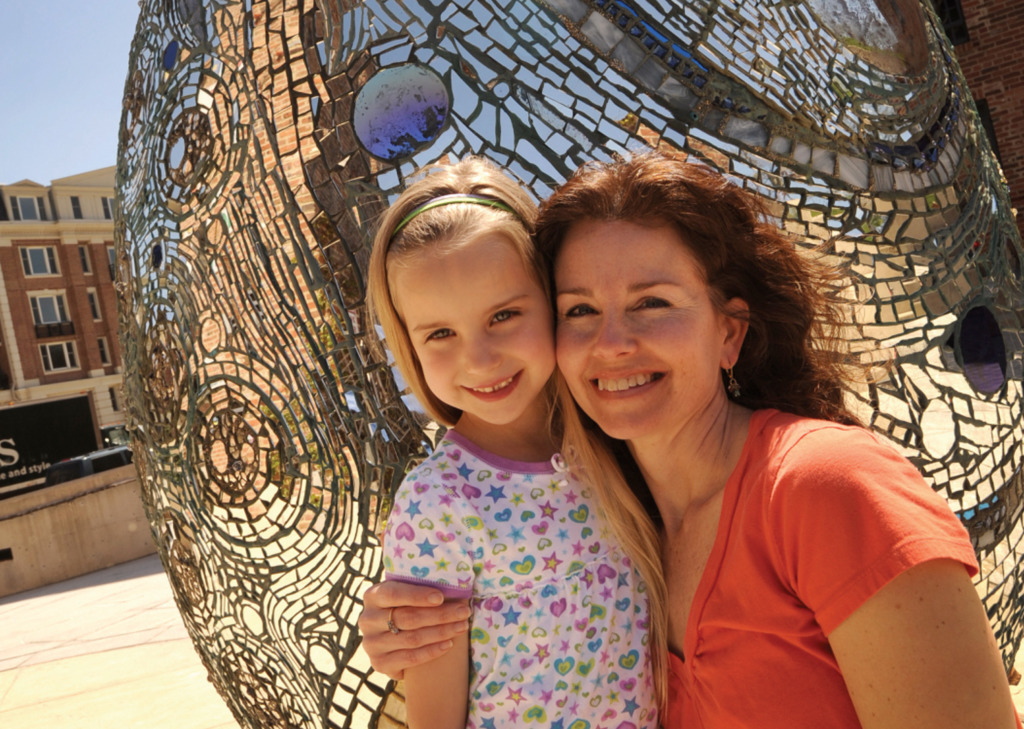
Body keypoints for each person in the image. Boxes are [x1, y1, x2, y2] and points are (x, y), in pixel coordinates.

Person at [360, 150, 1021, 728]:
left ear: (729, 331)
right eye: (580, 309)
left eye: (652, 302)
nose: (612, 343)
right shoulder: (616, 506)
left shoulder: (823, 486)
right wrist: (407, 628)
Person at [365, 156, 661, 729]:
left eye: (503, 315)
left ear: (551, 297)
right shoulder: (438, 505)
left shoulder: (617, 438)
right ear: (409, 346)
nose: (479, 359)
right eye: (441, 333)